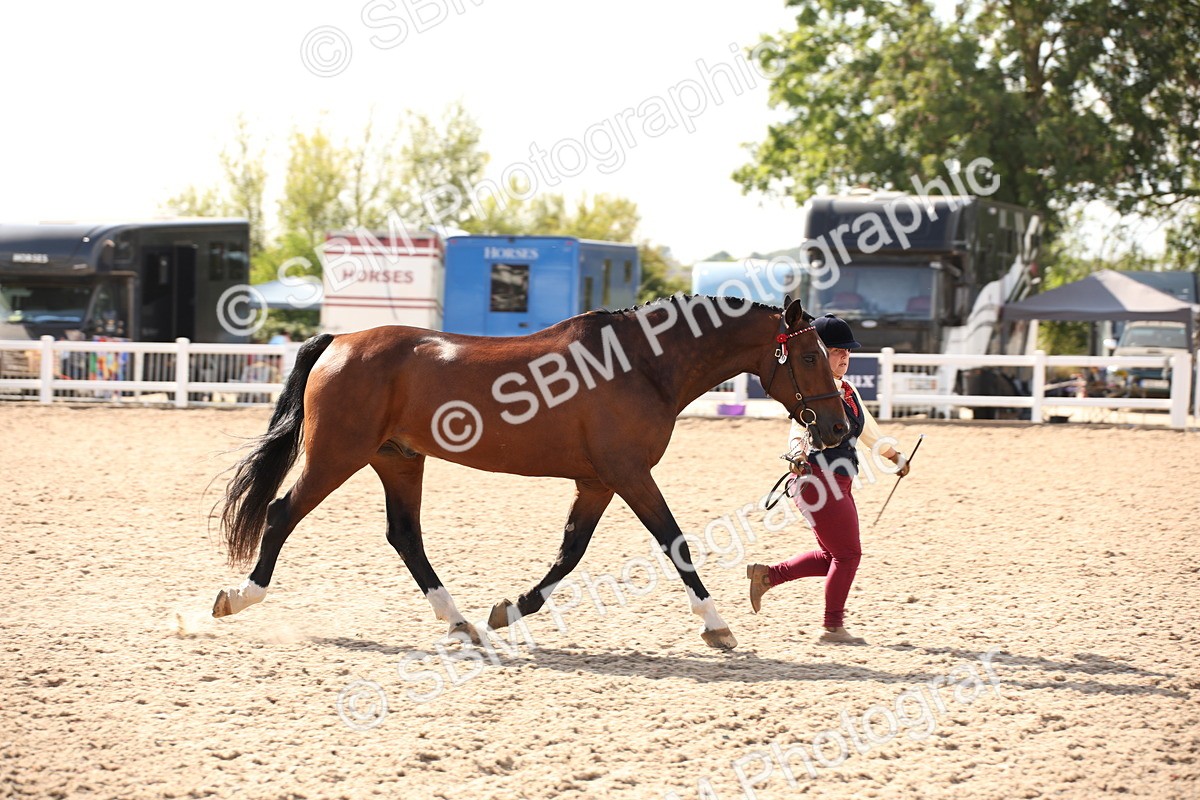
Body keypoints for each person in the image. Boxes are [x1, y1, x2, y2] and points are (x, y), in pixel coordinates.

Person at [747, 314, 911, 644]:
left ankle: (767, 575)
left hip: (839, 481)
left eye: (847, 351)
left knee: (832, 557)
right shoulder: (812, 394)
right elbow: (798, 430)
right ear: (819, 354)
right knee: (848, 556)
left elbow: (869, 432)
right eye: (837, 350)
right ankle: (833, 628)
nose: (845, 357)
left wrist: (895, 458)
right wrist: (796, 455)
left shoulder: (848, 391)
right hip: (816, 480)